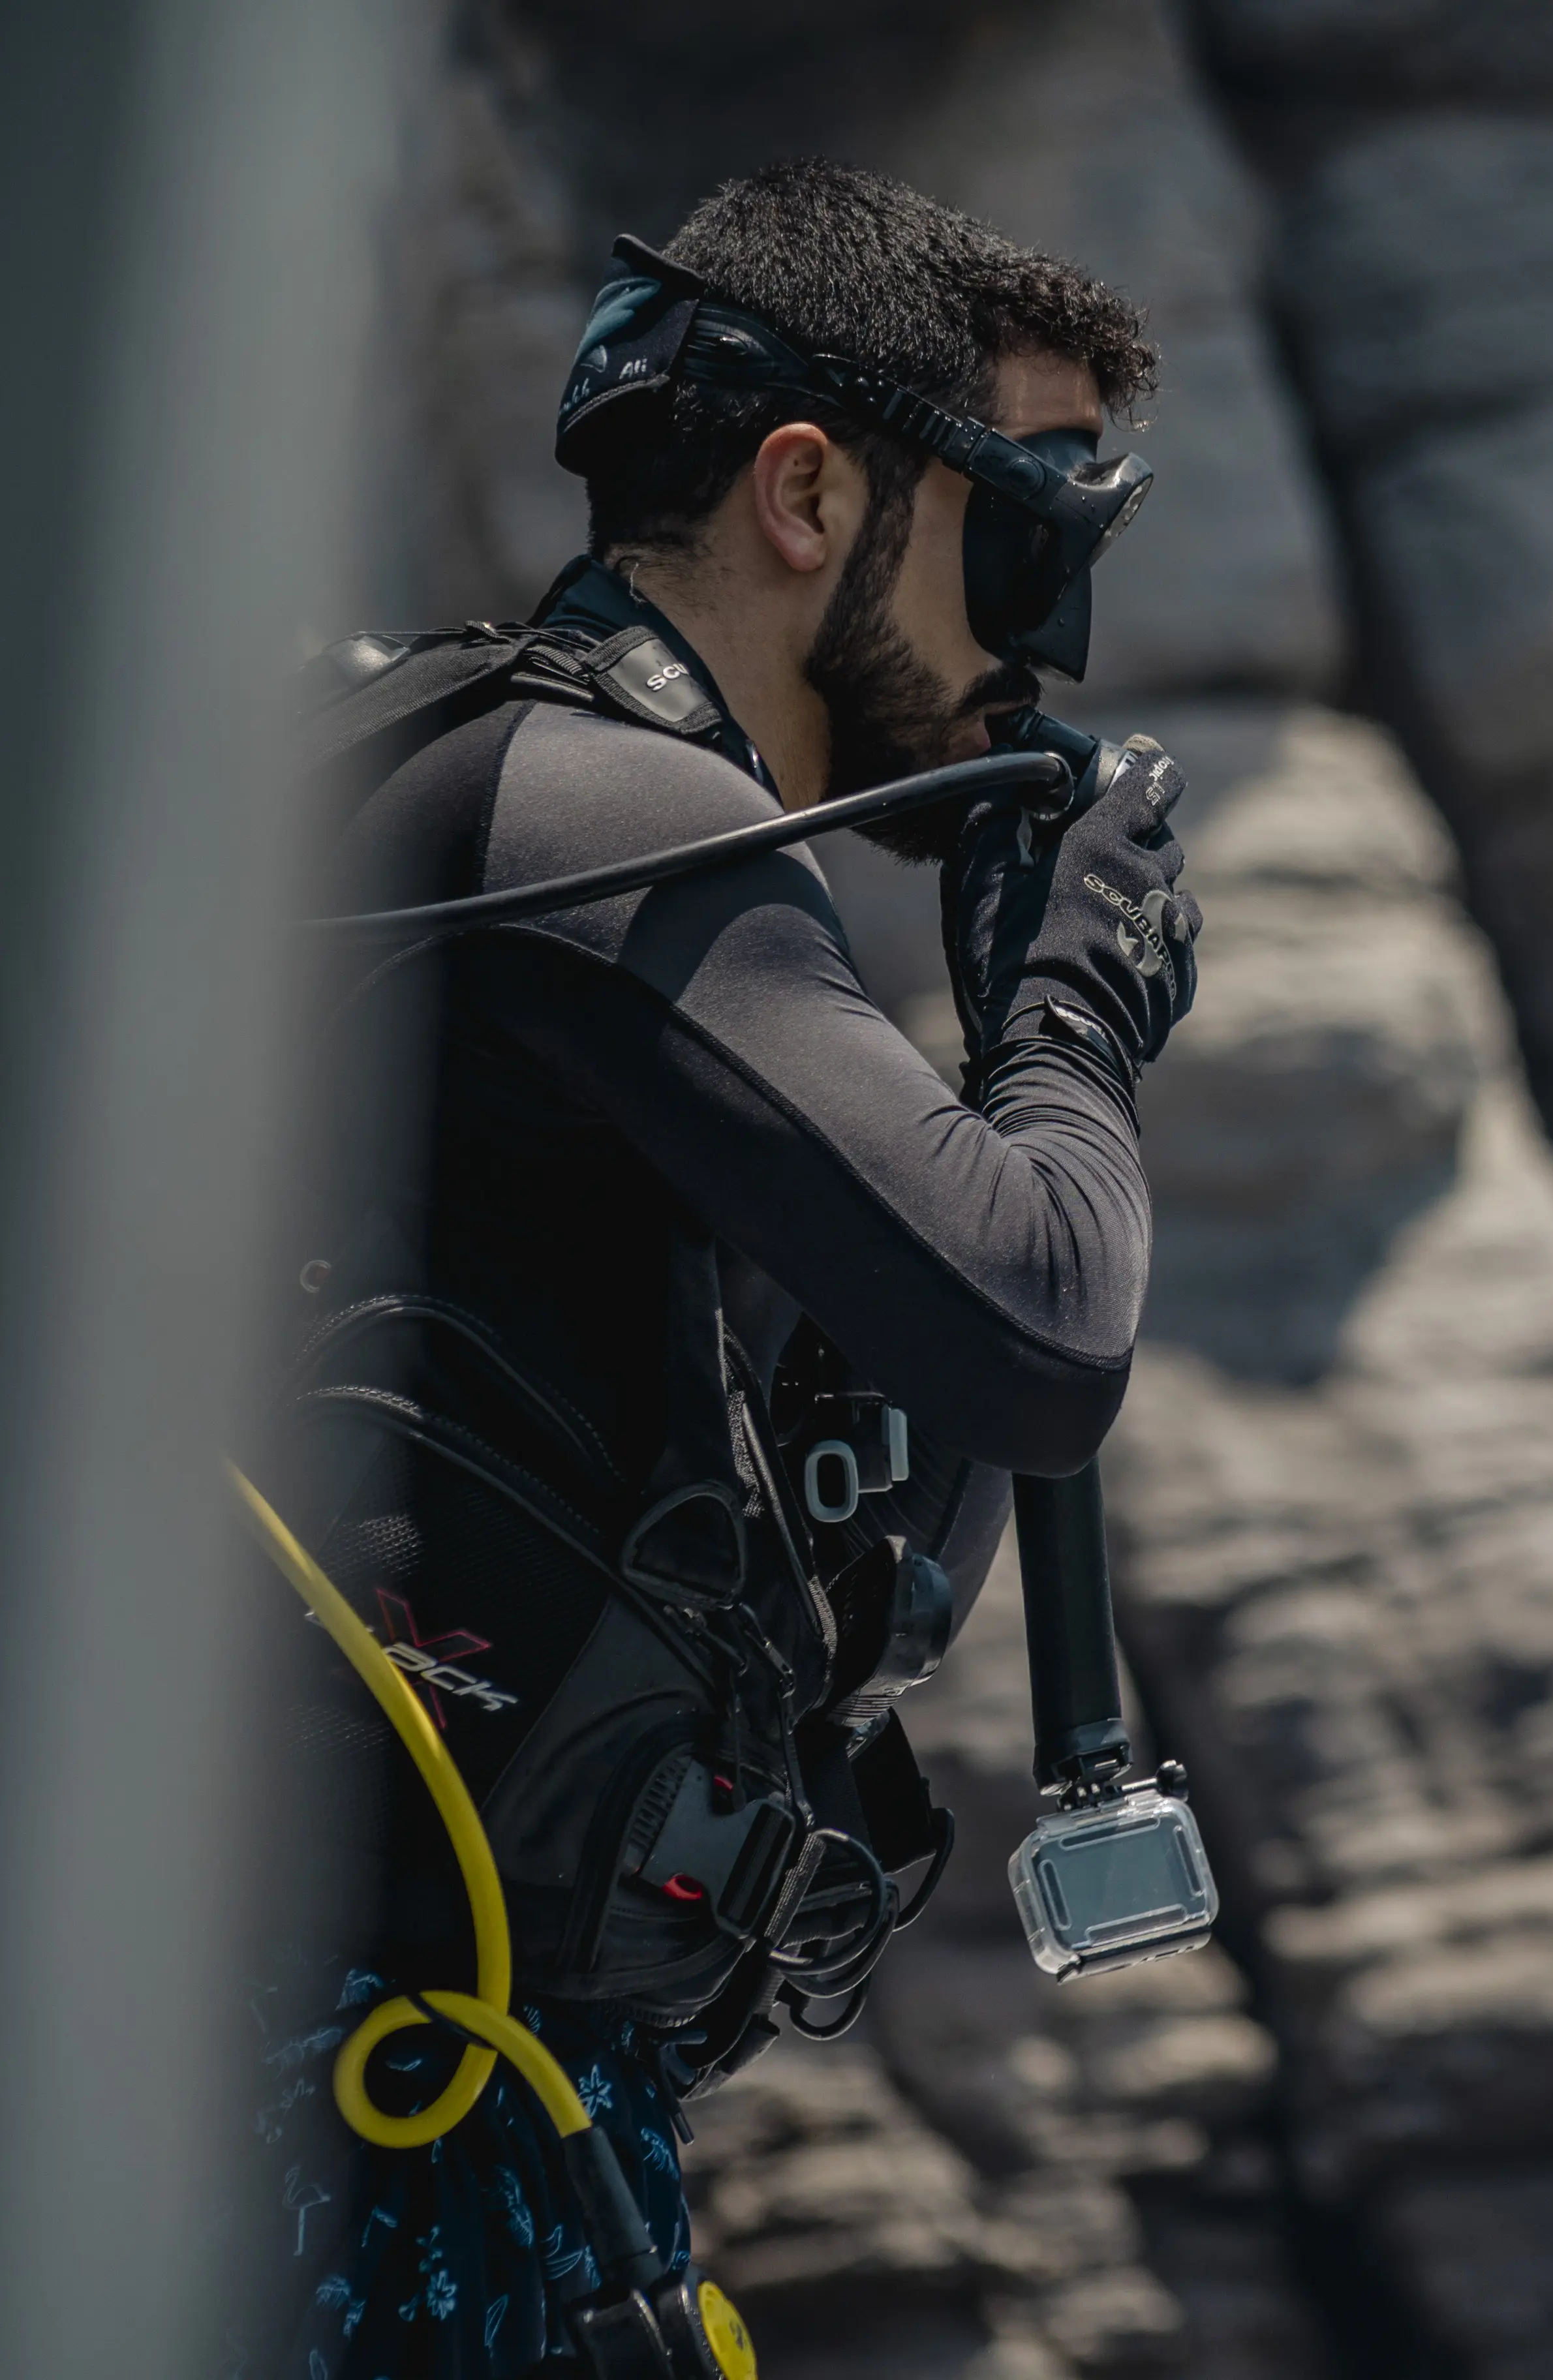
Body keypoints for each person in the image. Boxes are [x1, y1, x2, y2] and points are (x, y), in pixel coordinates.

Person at [237, 159, 1197, 2378]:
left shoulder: (519, 810)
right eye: (1028, 533)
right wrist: (1077, 1018)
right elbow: (1050, 1330)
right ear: (804, 495)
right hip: (361, 2125)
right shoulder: (601, 821)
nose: (1042, 651)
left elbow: (883, 1552)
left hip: (463, 2106)